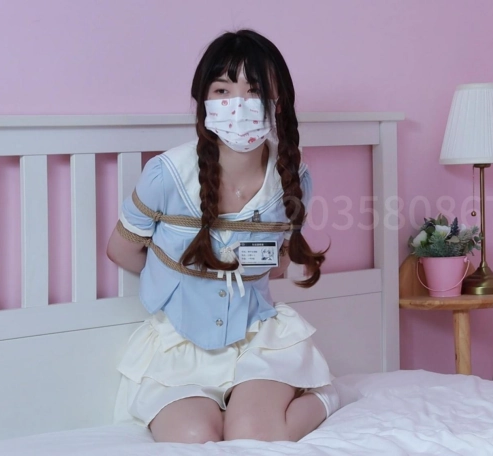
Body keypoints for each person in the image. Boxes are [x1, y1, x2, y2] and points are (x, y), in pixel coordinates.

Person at [107, 29, 338, 444]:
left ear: (278, 102)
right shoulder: (167, 174)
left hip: (258, 341)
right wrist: (181, 277)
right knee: (194, 437)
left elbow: (278, 263)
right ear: (204, 100)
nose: (239, 104)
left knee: (253, 435)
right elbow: (121, 250)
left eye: (255, 90)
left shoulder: (293, 180)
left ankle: (325, 396)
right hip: (180, 344)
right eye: (223, 90)